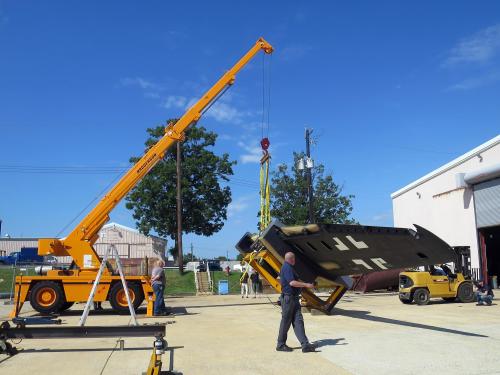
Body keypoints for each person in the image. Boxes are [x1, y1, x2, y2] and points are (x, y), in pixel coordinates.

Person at [276, 252, 316, 353]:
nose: (295, 261)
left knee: (298, 321)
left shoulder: (288, 267)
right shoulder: (287, 267)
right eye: (294, 259)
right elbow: (292, 283)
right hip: (288, 299)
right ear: (292, 259)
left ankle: (305, 344)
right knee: (286, 322)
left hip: (294, 298)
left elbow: (294, 281)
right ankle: (280, 345)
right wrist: (306, 285)